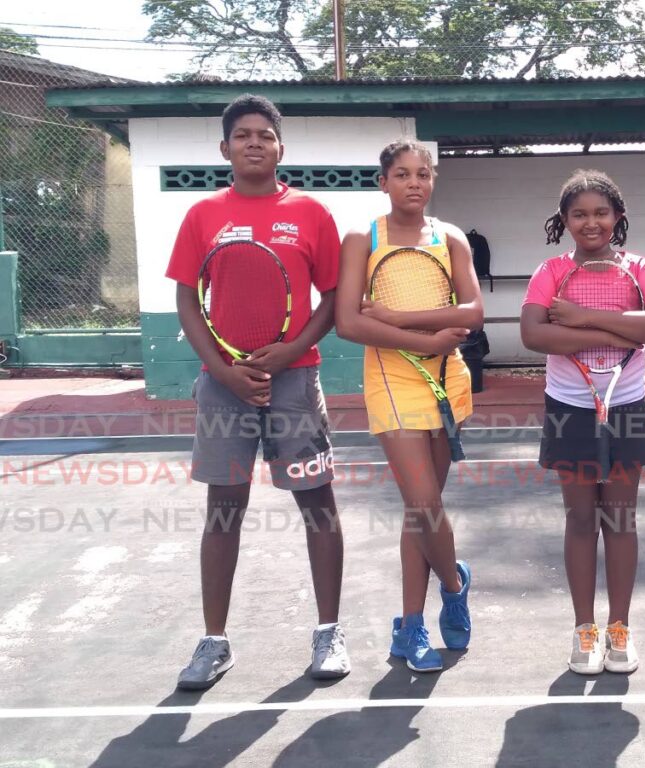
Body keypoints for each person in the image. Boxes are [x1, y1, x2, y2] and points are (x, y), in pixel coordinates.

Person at [167, 94, 348, 689]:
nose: (253, 142)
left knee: (316, 505)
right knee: (224, 511)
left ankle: (328, 632)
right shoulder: (202, 216)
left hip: (295, 382)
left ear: (280, 147)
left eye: (263, 135)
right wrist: (220, 369)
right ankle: (214, 641)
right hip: (224, 387)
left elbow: (333, 301)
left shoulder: (310, 214)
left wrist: (293, 350)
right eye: (241, 135)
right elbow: (188, 300)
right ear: (224, 149)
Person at [335, 140, 482, 672]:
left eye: (423, 173)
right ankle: (454, 581)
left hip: (447, 380)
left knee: (419, 513)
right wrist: (426, 337)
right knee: (424, 505)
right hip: (392, 380)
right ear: (383, 182)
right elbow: (348, 321)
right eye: (402, 174)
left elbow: (472, 311)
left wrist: (395, 319)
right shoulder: (361, 238)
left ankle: (410, 627)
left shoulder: (451, 238)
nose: (414, 182)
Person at [520, 169, 645, 675]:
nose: (591, 222)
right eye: (579, 214)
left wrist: (580, 318)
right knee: (582, 520)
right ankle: (585, 630)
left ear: (618, 218)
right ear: (564, 221)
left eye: (601, 212)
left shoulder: (641, 268)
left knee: (621, 519)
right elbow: (534, 336)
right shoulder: (550, 271)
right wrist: (619, 331)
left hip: (627, 407)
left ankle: (619, 628)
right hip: (569, 409)